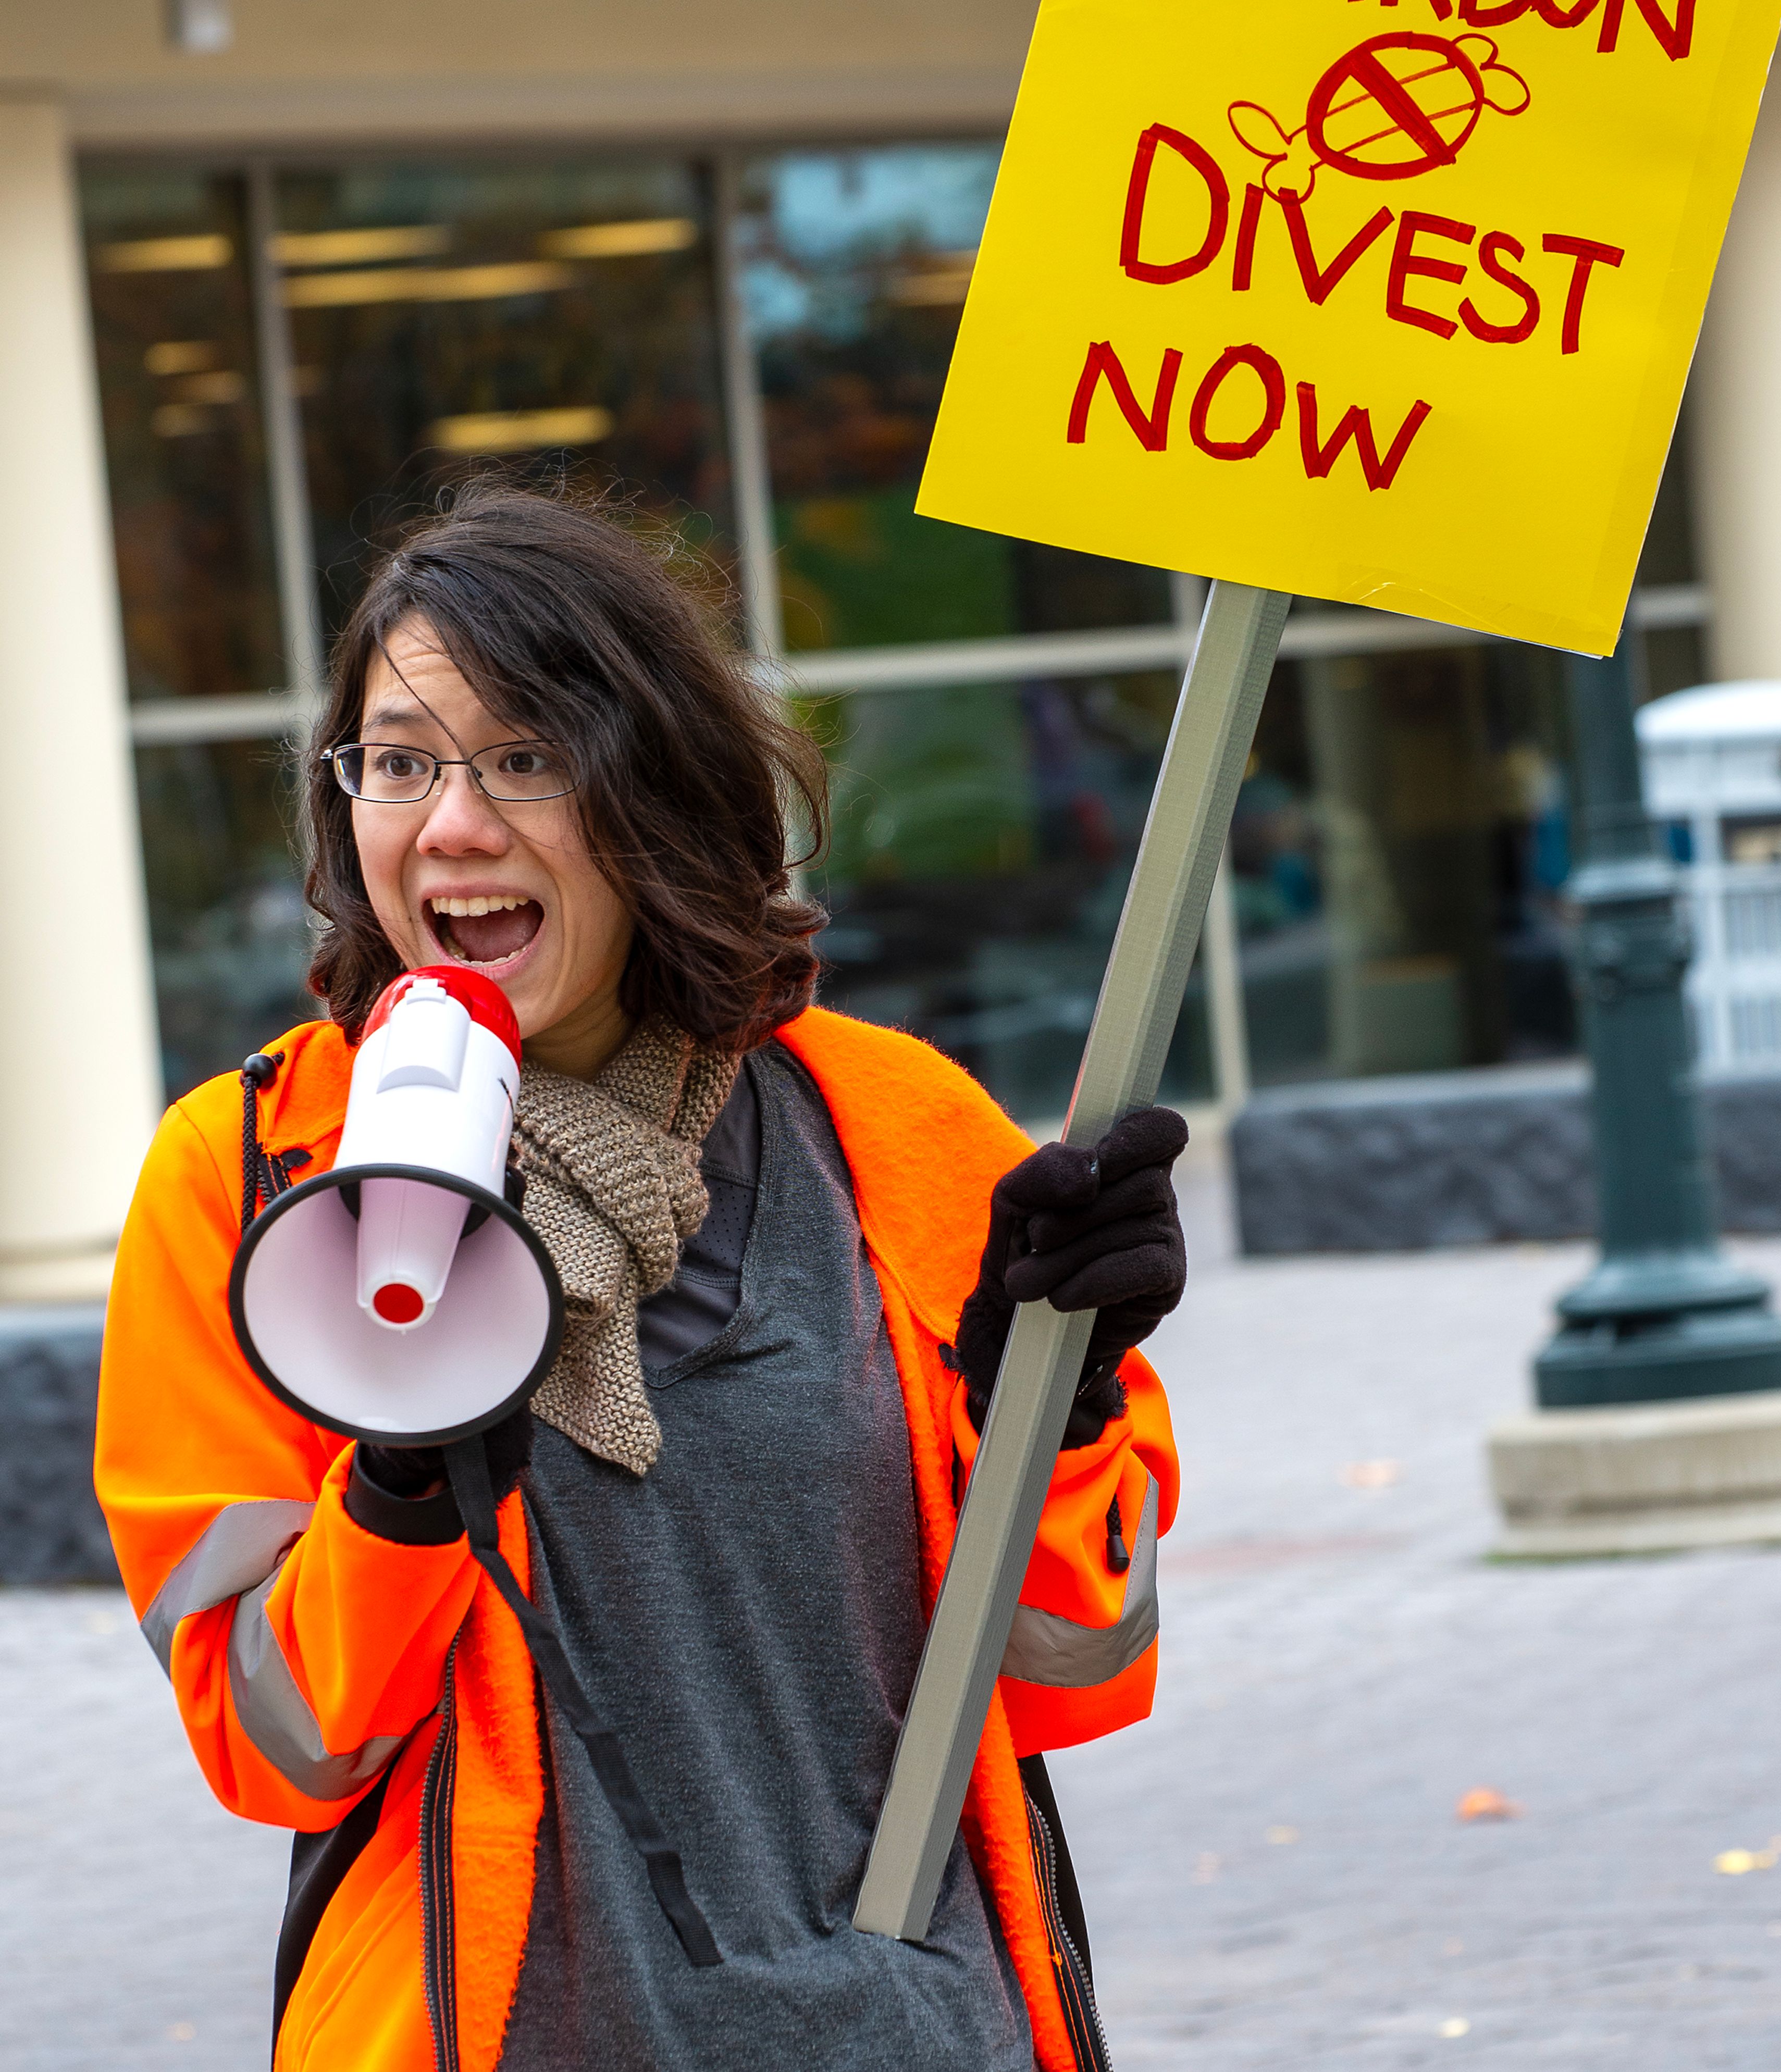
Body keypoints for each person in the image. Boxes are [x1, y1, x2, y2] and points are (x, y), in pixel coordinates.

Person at [95, 483, 1186, 2072]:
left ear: (654, 795)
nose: (451, 824)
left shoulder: (896, 1130)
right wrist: (403, 1469)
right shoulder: (251, 1178)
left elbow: (1077, 1660)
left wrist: (1059, 1406)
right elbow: (279, 1747)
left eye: (526, 758)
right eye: (398, 761)